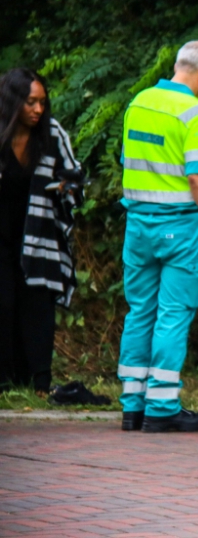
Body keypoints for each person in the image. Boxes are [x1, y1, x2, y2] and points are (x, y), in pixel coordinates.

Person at [117, 41, 198, 434]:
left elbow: (137, 160)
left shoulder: (140, 102)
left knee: (140, 310)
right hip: (179, 227)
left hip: (138, 225)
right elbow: (197, 178)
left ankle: (133, 405)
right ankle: (162, 407)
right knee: (173, 313)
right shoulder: (196, 112)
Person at [0, 68, 81, 395]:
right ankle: (5, 382)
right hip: (2, 236)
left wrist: (67, 187)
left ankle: (40, 382)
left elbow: (74, 176)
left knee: (38, 305)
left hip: (39, 234)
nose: (37, 110)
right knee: (3, 305)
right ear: (12, 101)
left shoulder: (52, 133)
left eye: (42, 103)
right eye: (30, 102)